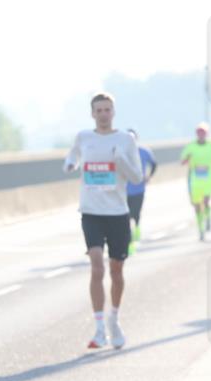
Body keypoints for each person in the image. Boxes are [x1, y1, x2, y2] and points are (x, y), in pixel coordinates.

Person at [64, 92, 143, 350]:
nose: (103, 114)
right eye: (98, 110)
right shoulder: (84, 137)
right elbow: (73, 156)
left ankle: (114, 319)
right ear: (92, 114)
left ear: (113, 112)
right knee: (97, 267)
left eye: (107, 109)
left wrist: (119, 160)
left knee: (116, 270)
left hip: (117, 213)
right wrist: (70, 164)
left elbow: (136, 177)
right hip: (91, 212)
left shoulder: (125, 140)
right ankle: (98, 328)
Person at [180, 122, 211, 241]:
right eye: (199, 132)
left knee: (206, 201)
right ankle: (201, 229)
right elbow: (182, 161)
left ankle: (208, 217)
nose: (201, 134)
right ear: (196, 134)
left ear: (207, 133)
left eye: (203, 132)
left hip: (208, 179)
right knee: (197, 206)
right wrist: (186, 159)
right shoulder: (191, 146)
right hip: (195, 180)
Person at [124, 129, 157, 255]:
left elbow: (154, 164)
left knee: (135, 214)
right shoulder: (120, 153)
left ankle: (137, 227)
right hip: (124, 191)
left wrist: (149, 176)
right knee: (126, 219)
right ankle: (129, 243)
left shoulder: (143, 152)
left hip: (139, 189)